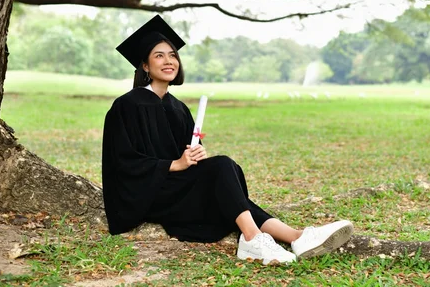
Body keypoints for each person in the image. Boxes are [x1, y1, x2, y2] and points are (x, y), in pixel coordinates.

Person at [102, 15, 354, 265]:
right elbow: (121, 161)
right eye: (159, 55)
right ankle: (252, 237)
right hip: (149, 193)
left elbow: (187, 154)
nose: (169, 61)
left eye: (172, 55)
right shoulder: (127, 105)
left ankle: (297, 237)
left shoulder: (178, 108)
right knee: (222, 167)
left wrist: (195, 154)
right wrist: (174, 164)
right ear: (145, 66)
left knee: (225, 174)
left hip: (177, 188)